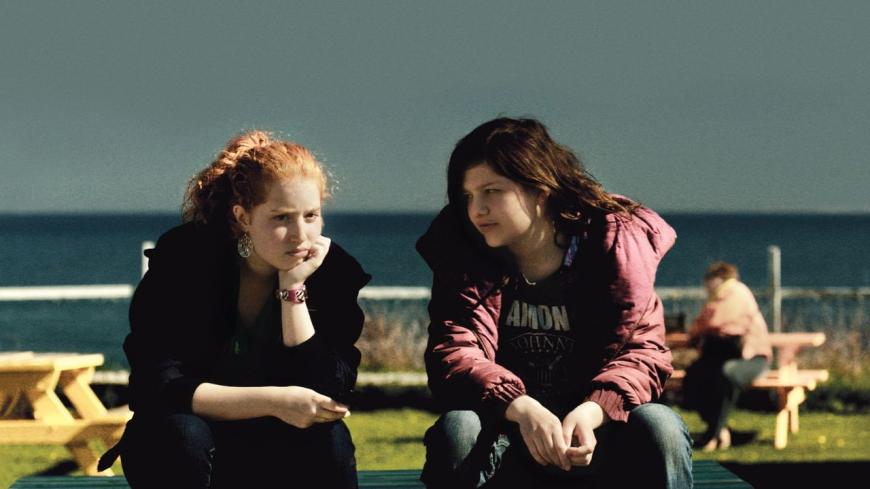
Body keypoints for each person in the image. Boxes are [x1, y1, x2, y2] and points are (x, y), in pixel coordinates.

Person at [417, 117, 693, 489]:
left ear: (540, 192)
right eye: (467, 196)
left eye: (491, 191)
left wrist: (595, 409)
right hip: (510, 436)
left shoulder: (615, 257)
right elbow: (453, 351)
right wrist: (519, 407)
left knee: (661, 425)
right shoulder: (464, 260)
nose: (476, 210)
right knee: (459, 427)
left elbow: (644, 354)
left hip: (596, 438)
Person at [99, 131, 370, 488]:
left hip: (270, 447)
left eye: (311, 215)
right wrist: (275, 401)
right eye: (281, 218)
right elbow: (158, 386)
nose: (300, 234)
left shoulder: (332, 271)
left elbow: (328, 391)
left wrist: (292, 289)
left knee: (330, 439)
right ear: (243, 217)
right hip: (185, 447)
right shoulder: (186, 260)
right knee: (182, 434)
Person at [682, 262, 772, 452]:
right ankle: (720, 430)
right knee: (693, 376)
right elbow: (701, 326)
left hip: (752, 359)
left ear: (719, 279)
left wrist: (699, 332)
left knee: (726, 375)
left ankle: (713, 434)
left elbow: (715, 322)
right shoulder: (717, 298)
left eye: (709, 281)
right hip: (727, 357)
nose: (706, 286)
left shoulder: (736, 292)